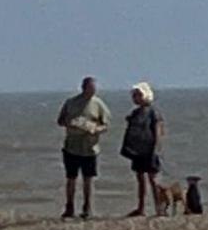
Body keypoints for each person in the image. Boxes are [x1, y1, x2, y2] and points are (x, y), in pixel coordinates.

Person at [54, 75, 109, 217]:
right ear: (83, 88)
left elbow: (106, 125)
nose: (93, 91)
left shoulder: (98, 104)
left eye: (94, 88)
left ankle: (87, 208)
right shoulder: (71, 102)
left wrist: (95, 129)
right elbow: (60, 120)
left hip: (90, 148)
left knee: (88, 179)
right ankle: (69, 207)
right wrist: (71, 123)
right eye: (90, 88)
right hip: (72, 146)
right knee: (71, 178)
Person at [121, 80, 164, 216]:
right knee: (140, 179)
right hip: (137, 150)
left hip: (149, 150)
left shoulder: (153, 112)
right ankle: (141, 207)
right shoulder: (135, 113)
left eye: (138, 95)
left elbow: (157, 130)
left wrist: (156, 147)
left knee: (153, 179)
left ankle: (159, 208)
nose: (135, 98)